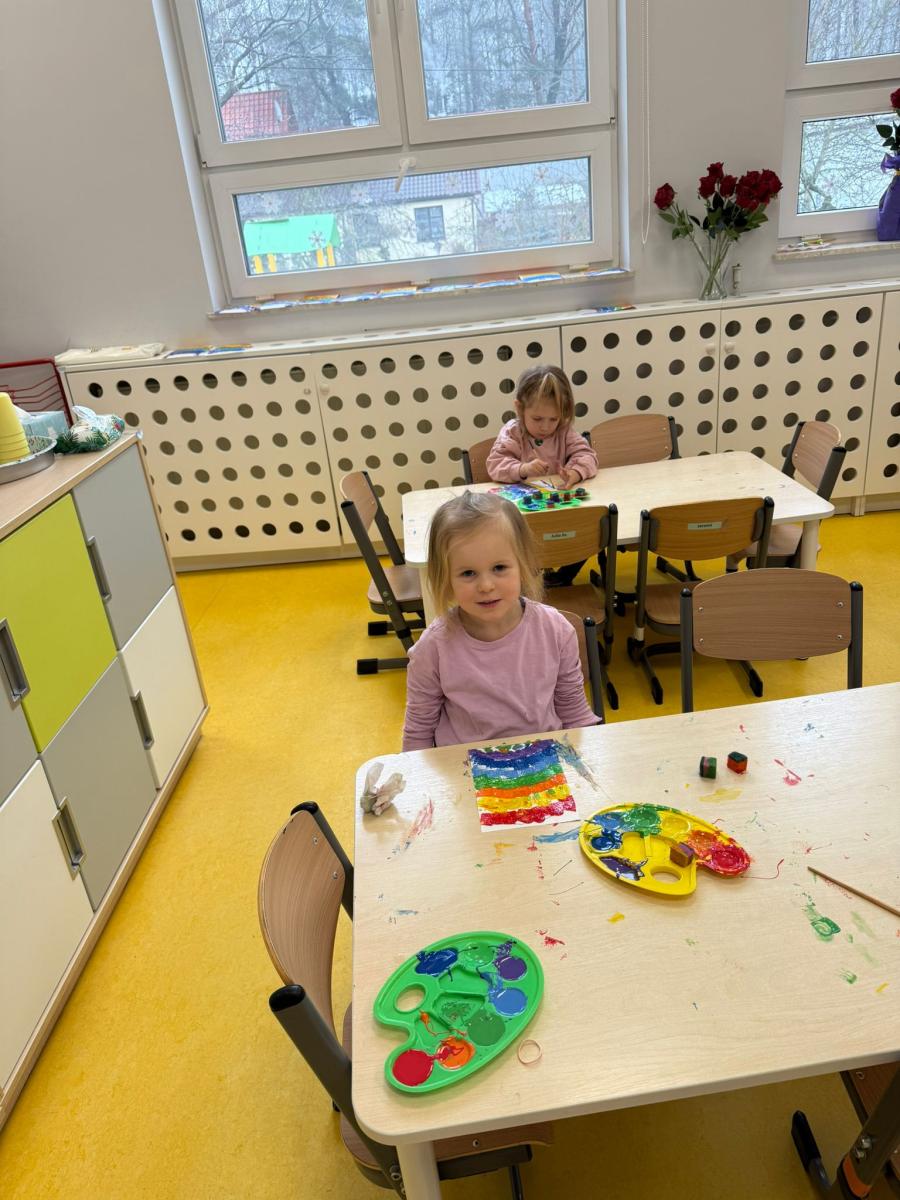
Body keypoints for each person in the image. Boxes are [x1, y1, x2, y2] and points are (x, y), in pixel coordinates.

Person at [401, 491, 600, 751]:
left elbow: (575, 714)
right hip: (465, 765)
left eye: (499, 568)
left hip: (545, 760)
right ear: (446, 579)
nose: (486, 586)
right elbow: (418, 734)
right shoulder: (433, 648)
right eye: (468, 573)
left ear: (523, 565)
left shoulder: (556, 630)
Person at [485, 364, 598, 585]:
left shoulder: (564, 431)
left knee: (589, 531)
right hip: (527, 518)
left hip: (561, 510)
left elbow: (587, 455)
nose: (546, 427)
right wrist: (523, 469)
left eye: (553, 419)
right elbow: (495, 464)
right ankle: (535, 578)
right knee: (517, 541)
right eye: (537, 419)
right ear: (519, 408)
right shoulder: (513, 432)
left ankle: (562, 578)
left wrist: (575, 472)